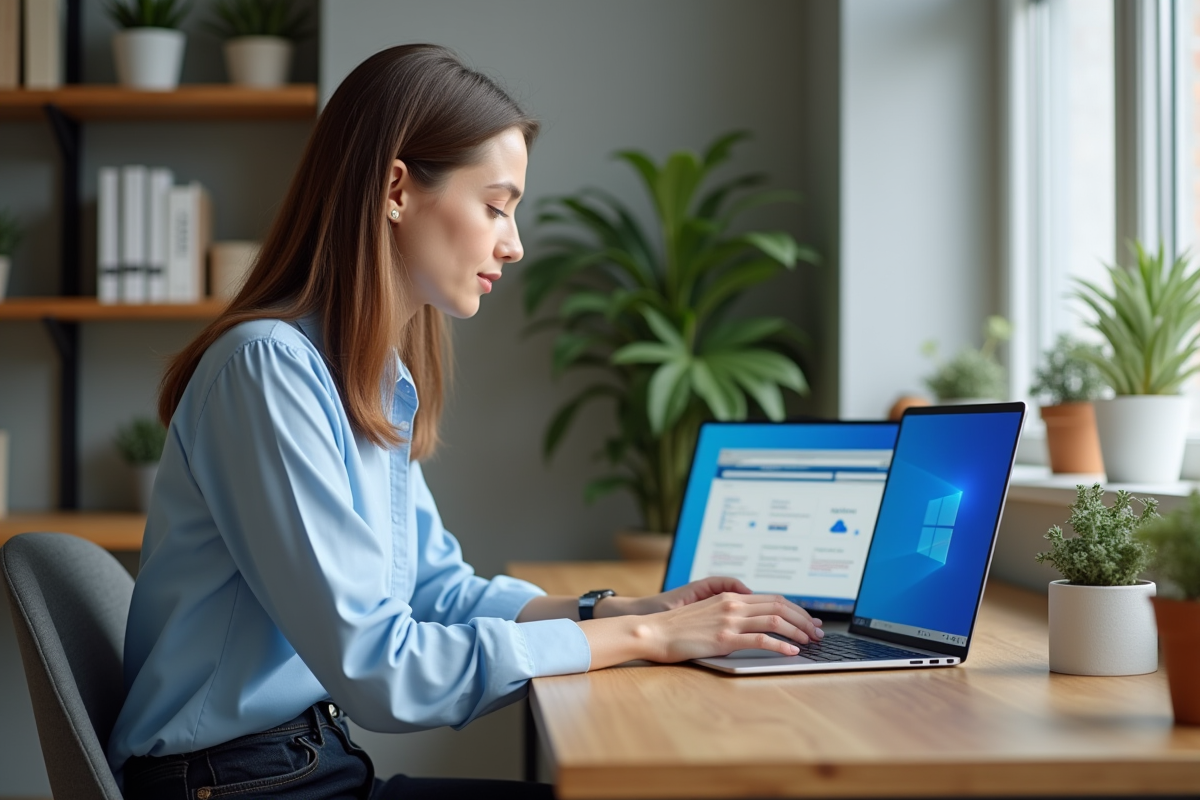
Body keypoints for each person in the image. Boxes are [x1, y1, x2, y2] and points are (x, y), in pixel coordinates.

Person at [105, 44, 824, 800]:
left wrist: (626, 609)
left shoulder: (364, 376)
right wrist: (647, 637)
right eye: (495, 206)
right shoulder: (267, 371)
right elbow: (382, 671)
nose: (514, 244)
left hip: (301, 768)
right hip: (239, 785)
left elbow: (435, 590)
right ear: (395, 189)